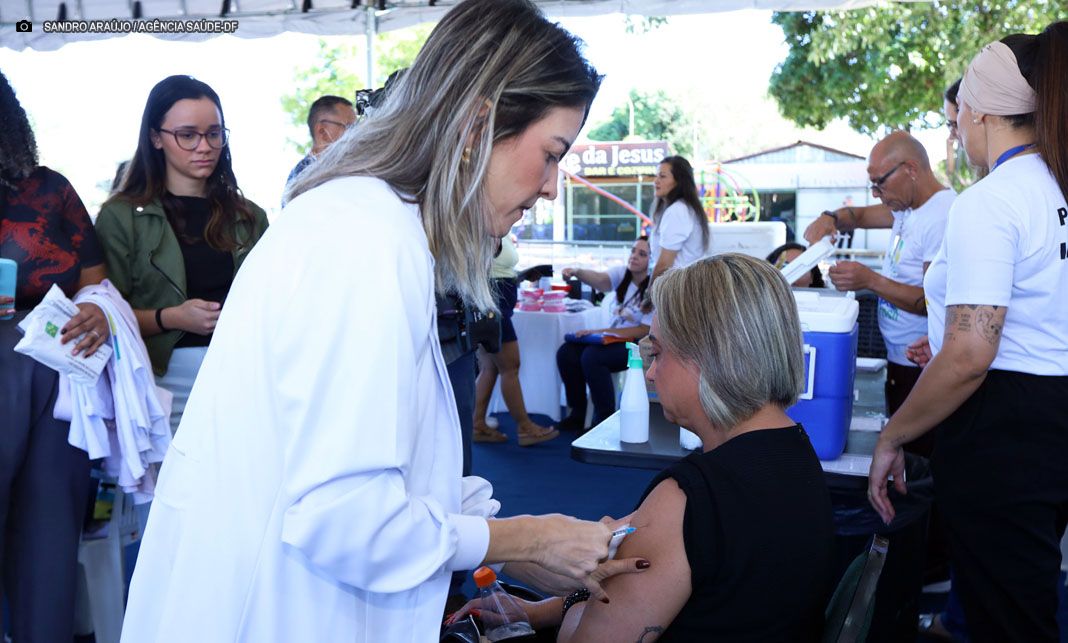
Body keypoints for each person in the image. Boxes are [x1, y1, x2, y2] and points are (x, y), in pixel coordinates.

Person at [119, 2, 619, 641]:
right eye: (550, 154)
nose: (551, 186)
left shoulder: (375, 229)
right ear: (477, 124)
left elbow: (392, 468)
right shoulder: (363, 242)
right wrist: (525, 540)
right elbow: (346, 517)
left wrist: (524, 542)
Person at [456, 254, 835, 641]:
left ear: (709, 358)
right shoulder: (799, 453)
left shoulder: (687, 499)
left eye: (659, 353)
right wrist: (546, 610)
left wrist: (566, 615)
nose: (651, 373)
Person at [869, 22, 1068, 643]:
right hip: (1052, 412)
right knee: (1025, 595)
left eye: (956, 120)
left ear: (980, 111)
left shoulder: (992, 201)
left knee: (1006, 617)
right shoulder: (1056, 187)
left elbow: (970, 354)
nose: (953, 131)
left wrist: (894, 435)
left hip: (1004, 428)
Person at [0, 69, 111, 642]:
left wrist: (97, 309)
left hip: (56, 364)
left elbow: (95, 282)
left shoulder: (50, 189)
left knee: (49, 535)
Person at [95, 75, 269, 435]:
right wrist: (172, 317)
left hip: (245, 374)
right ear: (156, 138)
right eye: (187, 135)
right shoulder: (121, 216)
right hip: (160, 380)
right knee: (166, 488)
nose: (204, 146)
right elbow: (103, 315)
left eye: (214, 133)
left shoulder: (249, 217)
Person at [803, 132, 955, 447]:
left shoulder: (941, 216)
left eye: (880, 183)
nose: (876, 194)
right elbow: (855, 216)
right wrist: (828, 219)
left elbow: (932, 302)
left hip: (923, 364)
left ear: (911, 169)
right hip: (899, 357)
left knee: (916, 457)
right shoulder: (906, 209)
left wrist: (869, 280)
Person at [555, 236, 652, 431]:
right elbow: (600, 280)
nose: (634, 257)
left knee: (592, 357)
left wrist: (600, 331)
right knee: (567, 352)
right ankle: (578, 412)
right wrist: (576, 271)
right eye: (633, 251)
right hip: (611, 338)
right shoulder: (623, 274)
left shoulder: (655, 285)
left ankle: (605, 419)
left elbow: (644, 331)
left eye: (642, 254)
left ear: (652, 260)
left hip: (636, 344)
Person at [471, 234, 559, 446]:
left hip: (493, 306)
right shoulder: (489, 227)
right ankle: (525, 427)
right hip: (494, 308)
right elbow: (482, 270)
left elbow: (495, 270)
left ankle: (477, 423)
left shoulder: (495, 229)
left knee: (490, 368)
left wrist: (519, 276)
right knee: (510, 367)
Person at [649, 156, 709, 280]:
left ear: (678, 181)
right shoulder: (680, 208)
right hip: (681, 285)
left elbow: (664, 265)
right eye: (656, 176)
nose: (656, 181)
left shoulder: (678, 210)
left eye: (662, 176)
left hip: (677, 287)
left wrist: (648, 295)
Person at [284, 95, 356, 192]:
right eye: (349, 127)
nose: (356, 133)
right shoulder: (303, 177)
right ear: (322, 131)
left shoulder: (340, 170)